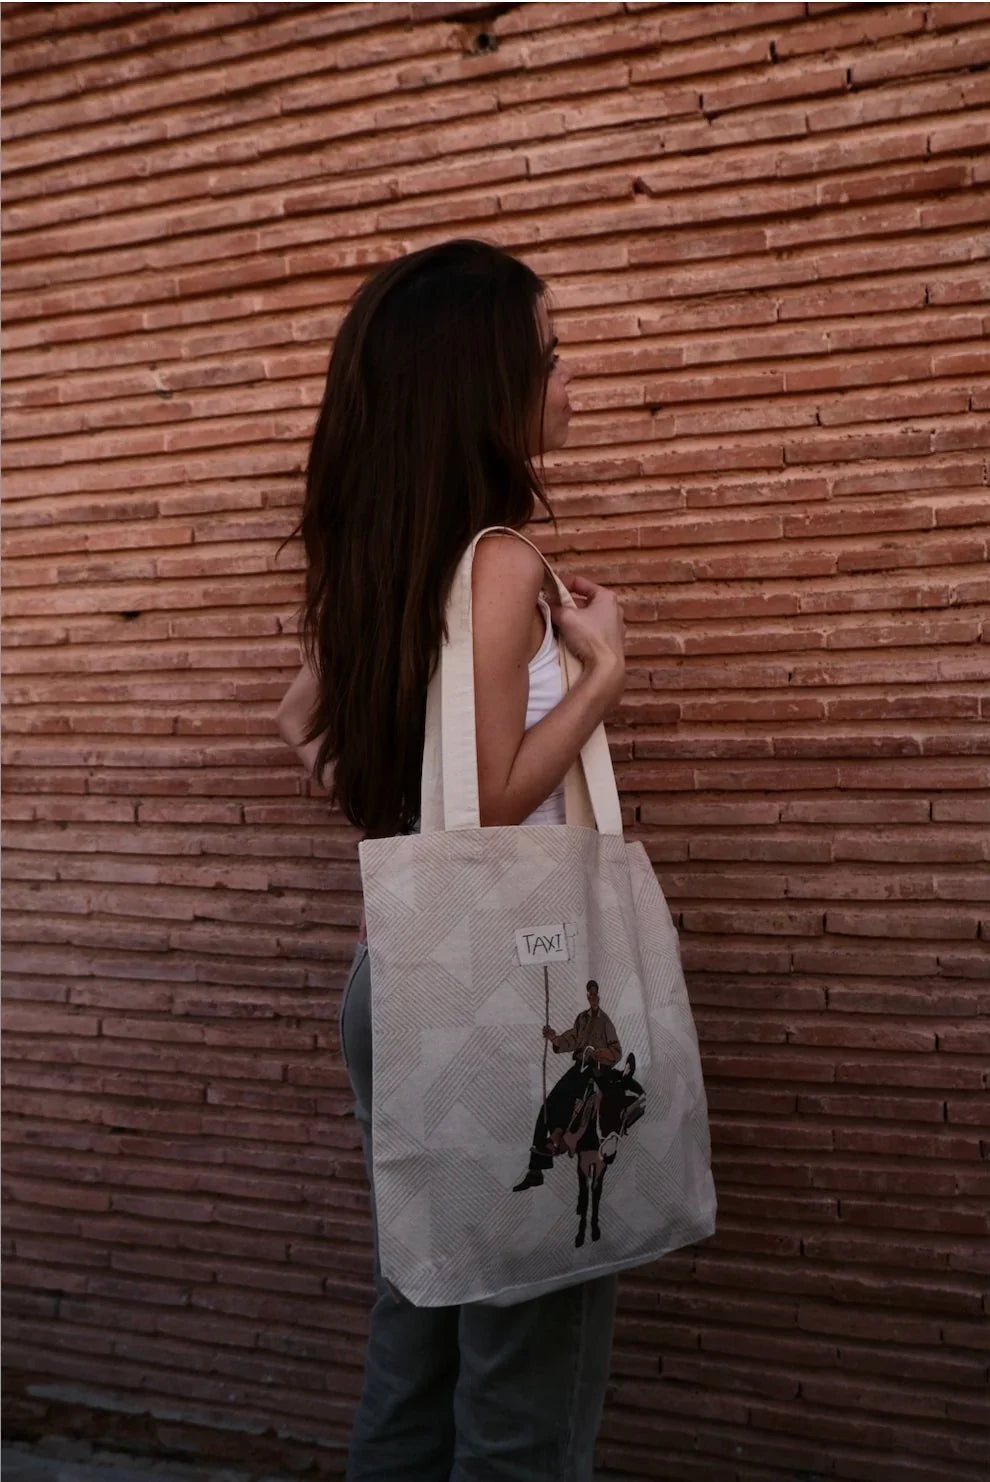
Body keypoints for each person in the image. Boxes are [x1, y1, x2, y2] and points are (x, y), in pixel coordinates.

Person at [277, 239, 627, 1482]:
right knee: (526, 1363)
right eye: (549, 355)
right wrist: (604, 674)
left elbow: (302, 731)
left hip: (398, 981)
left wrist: (392, 838)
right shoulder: (496, 561)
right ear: (487, 384)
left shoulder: (380, 560)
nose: (571, 378)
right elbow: (489, 802)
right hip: (512, 997)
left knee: (420, 1324)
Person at [513, 981, 622, 1191]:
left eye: (594, 995)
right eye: (589, 994)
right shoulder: (582, 1018)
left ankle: (558, 1138)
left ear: (598, 997)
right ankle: (536, 1170)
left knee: (573, 1102)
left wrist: (598, 1054)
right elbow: (572, 1039)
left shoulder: (605, 1022)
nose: (592, 998)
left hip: (596, 1070)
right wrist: (554, 1037)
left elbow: (616, 1052)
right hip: (579, 1067)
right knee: (549, 1105)